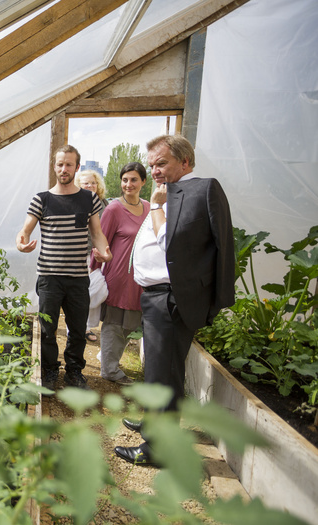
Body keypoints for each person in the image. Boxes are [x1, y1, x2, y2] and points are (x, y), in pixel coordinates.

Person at [114, 134, 234, 466]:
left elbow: (216, 246)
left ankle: (158, 450)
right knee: (158, 370)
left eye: (161, 163)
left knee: (162, 375)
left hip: (172, 299)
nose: (154, 170)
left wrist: (155, 206)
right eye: (151, 164)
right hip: (156, 297)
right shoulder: (167, 193)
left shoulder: (202, 189)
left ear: (185, 161)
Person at [16, 145, 112, 391]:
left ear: (76, 167)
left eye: (69, 164)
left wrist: (105, 251)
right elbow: (25, 231)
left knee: (78, 329)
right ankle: (49, 371)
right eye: (60, 164)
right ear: (54, 166)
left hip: (79, 277)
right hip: (49, 277)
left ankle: (74, 372)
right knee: (48, 329)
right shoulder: (42, 199)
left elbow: (97, 233)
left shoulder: (89, 199)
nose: (64, 168)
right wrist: (21, 243)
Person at [90, 162, 150, 385]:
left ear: (143, 182)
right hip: (118, 276)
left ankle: (108, 359)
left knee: (131, 323)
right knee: (115, 323)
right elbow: (99, 241)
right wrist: (94, 273)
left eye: (134, 179)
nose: (128, 184)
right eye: (125, 180)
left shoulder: (149, 208)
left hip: (140, 278)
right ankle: (110, 370)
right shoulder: (114, 209)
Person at [76, 170, 110, 343]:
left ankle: (87, 325)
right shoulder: (76, 202)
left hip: (99, 253)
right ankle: (76, 327)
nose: (90, 186)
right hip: (83, 253)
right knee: (82, 292)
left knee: (96, 290)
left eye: (93, 183)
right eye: (85, 183)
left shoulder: (104, 204)